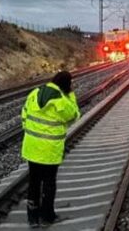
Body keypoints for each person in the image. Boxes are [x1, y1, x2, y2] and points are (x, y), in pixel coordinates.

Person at [21, 71, 80, 228]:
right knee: (48, 183)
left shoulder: (35, 92)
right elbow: (74, 115)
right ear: (67, 84)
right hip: (49, 150)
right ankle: (48, 216)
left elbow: (24, 115)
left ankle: (32, 218)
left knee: (33, 182)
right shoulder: (61, 100)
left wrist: (32, 133)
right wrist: (71, 95)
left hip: (32, 147)